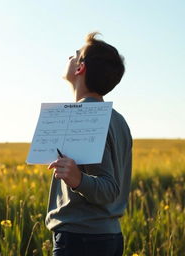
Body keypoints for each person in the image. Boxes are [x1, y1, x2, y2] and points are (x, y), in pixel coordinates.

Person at [46, 32, 132, 256]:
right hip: (109, 237)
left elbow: (109, 187)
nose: (70, 57)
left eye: (75, 55)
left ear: (80, 68)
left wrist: (77, 179)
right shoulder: (118, 119)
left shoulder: (83, 116)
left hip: (80, 240)